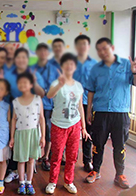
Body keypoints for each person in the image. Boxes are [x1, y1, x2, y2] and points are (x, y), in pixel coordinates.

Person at [85, 37, 136, 189]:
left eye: (104, 48)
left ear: (112, 47)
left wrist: (134, 72)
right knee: (98, 143)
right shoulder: (96, 69)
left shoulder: (127, 65)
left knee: (119, 144)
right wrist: (89, 111)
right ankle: (95, 170)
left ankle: (119, 174)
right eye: (99, 50)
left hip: (120, 112)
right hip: (100, 111)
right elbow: (91, 91)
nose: (102, 52)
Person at [45, 53, 91, 194]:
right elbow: (49, 95)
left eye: (72, 64)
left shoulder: (78, 86)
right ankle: (52, 182)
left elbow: (80, 108)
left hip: (74, 125)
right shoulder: (56, 83)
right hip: (59, 125)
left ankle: (68, 182)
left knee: (72, 156)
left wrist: (83, 127)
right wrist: (59, 83)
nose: (69, 67)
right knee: (56, 156)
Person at [9, 72, 46, 195]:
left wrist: (43, 137)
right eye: (21, 83)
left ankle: (29, 182)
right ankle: (21, 183)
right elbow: (13, 119)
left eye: (26, 82)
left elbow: (41, 118)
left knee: (31, 160)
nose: (23, 85)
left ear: (31, 84)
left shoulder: (37, 99)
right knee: (21, 160)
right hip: (20, 133)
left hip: (34, 133)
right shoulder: (16, 101)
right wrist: (12, 137)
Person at [33, 43, 59, 172]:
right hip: (33, 104)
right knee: (32, 130)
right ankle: (32, 155)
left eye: (45, 51)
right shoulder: (32, 68)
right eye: (40, 51)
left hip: (49, 104)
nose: (43, 53)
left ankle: (46, 156)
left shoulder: (54, 69)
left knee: (48, 130)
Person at [73, 35, 97, 172]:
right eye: (80, 44)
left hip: (89, 103)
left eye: (85, 44)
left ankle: (87, 161)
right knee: (72, 131)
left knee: (88, 132)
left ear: (88, 46)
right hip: (73, 103)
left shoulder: (95, 64)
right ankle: (70, 157)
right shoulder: (71, 63)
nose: (82, 46)